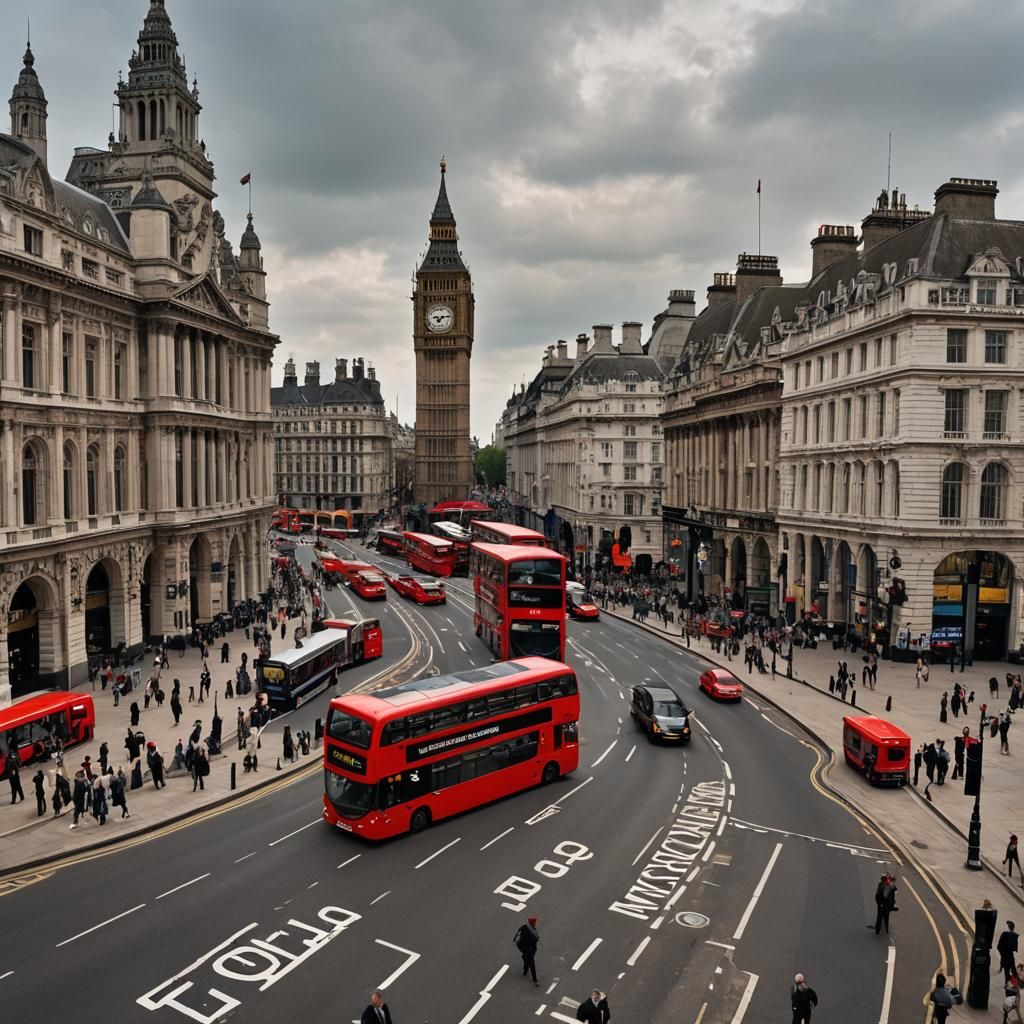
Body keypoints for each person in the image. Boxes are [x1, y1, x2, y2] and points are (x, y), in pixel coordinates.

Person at [514, 916, 540, 985]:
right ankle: (534, 979)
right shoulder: (532, 932)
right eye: (535, 922)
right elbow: (536, 939)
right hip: (529, 949)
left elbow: (517, 935)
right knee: (531, 963)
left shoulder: (524, 927)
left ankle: (525, 969)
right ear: (532, 923)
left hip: (523, 948)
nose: (536, 923)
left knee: (527, 958)